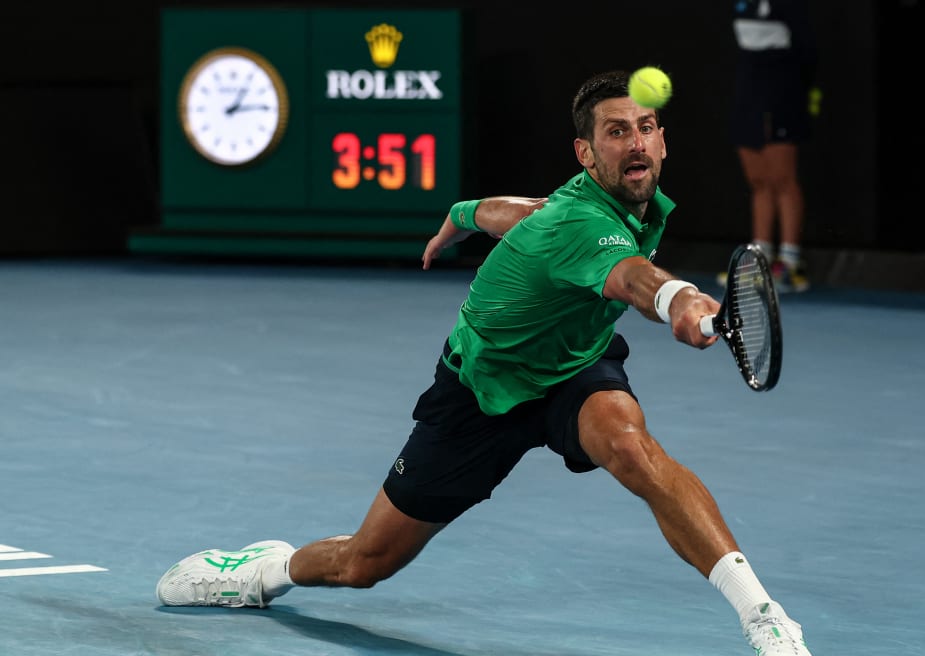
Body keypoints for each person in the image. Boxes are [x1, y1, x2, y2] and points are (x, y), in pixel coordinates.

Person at [155, 70, 814, 656]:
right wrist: (676, 299)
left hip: (571, 369)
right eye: (617, 132)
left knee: (633, 450)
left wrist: (463, 212)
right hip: (478, 392)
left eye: (645, 128)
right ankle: (261, 571)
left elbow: (519, 213)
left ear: (663, 140)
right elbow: (633, 278)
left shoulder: (600, 206)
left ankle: (764, 618)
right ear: (586, 154)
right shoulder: (581, 224)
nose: (636, 143)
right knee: (364, 563)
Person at [721, 0, 818, 293]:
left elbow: (808, 53)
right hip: (747, 98)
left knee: (783, 180)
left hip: (782, 98)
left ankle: (790, 264)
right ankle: (759, 264)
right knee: (759, 181)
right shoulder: (741, 5)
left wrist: (800, 97)